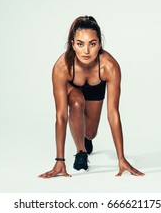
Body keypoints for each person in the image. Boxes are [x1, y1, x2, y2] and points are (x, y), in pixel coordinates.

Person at [39, 16, 144, 178]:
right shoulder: (62, 67)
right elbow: (60, 115)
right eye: (80, 44)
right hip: (73, 88)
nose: (86, 51)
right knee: (76, 103)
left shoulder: (109, 66)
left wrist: (121, 158)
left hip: (96, 87)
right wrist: (59, 160)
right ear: (72, 44)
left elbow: (113, 114)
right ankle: (81, 151)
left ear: (99, 44)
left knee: (91, 133)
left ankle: (86, 139)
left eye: (92, 44)